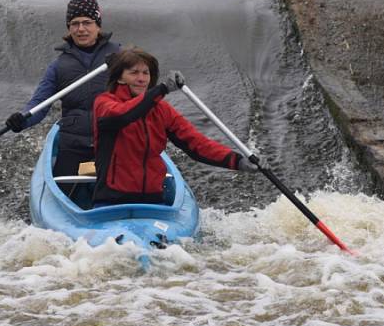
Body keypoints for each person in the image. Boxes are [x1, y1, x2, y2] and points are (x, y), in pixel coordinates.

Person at [92, 46, 261, 206]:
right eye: (134, 73)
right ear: (120, 77)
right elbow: (124, 115)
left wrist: (237, 161)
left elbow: (197, 144)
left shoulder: (161, 109)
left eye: (146, 73)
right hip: (112, 200)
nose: (141, 79)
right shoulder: (105, 103)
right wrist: (162, 90)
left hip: (152, 200)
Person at [6, 0, 121, 179]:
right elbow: (39, 106)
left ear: (98, 25)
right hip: (73, 144)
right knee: (64, 186)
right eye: (75, 24)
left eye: (87, 22)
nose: (81, 29)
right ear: (69, 28)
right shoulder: (58, 67)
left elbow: (142, 90)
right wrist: (21, 120)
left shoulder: (120, 58)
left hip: (114, 141)